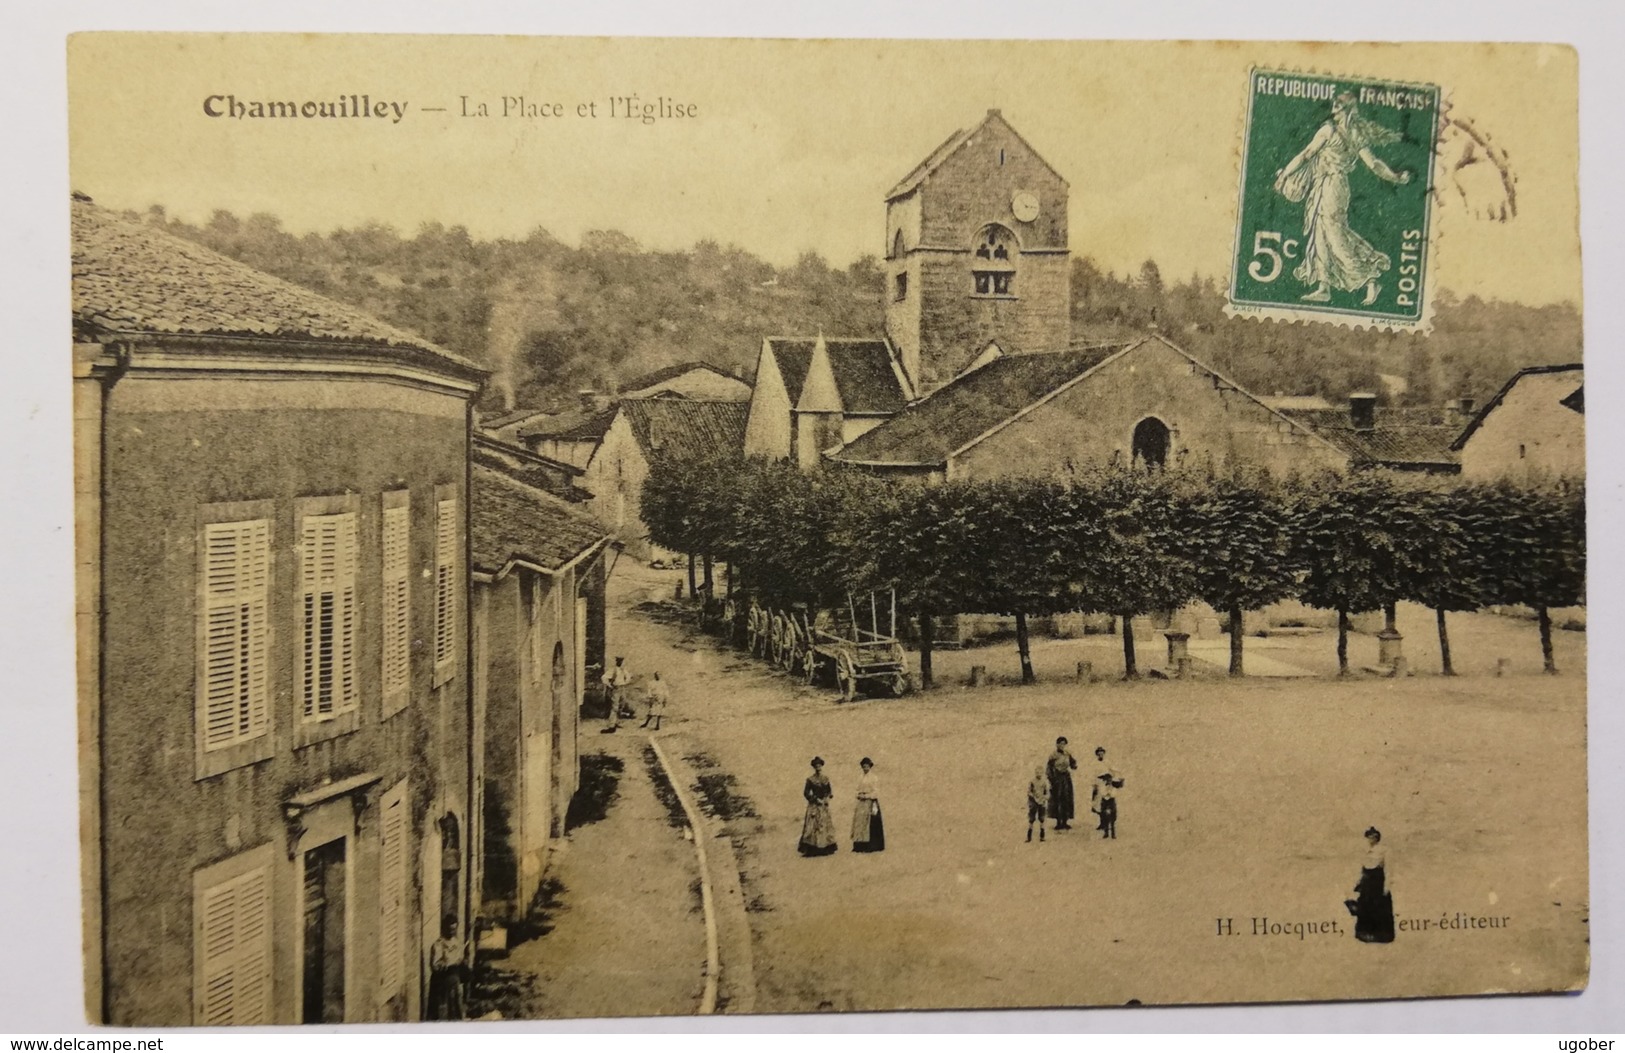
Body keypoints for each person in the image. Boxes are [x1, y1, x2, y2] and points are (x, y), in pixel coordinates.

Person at [1273, 92, 1411, 306]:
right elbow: (1374, 164)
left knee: (1335, 235)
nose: (1334, 109)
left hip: (1330, 186)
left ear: (1345, 109)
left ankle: (1370, 277)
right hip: (1337, 186)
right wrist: (1396, 177)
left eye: (1337, 106)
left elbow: (1306, 154)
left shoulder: (1329, 131)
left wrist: (1284, 176)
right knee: (1323, 233)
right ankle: (1324, 287)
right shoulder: (1356, 135)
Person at [1350, 826, 1396, 943]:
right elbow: (1362, 868)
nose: (1371, 839)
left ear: (1377, 838)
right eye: (1369, 837)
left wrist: (1387, 886)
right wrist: (1358, 883)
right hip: (1367, 883)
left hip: (1378, 883)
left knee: (1379, 907)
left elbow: (1388, 870)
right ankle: (1364, 933)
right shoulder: (1365, 851)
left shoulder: (1384, 850)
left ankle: (1381, 935)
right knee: (1365, 907)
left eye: (1373, 837)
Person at [427, 914, 466, 1021]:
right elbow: (435, 965)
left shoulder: (456, 942)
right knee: (441, 1008)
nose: (452, 932)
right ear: (444, 928)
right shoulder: (438, 944)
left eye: (454, 929)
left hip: (454, 979)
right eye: (450, 929)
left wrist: (459, 962)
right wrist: (444, 964)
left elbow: (459, 957)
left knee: (456, 1002)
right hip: (441, 980)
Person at [797, 756, 837, 856]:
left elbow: (829, 791)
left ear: (821, 766)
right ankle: (812, 849)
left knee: (824, 825)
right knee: (812, 826)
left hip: (823, 805)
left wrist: (827, 798)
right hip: (814, 806)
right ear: (814, 767)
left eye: (819, 765)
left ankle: (825, 848)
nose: (818, 767)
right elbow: (806, 793)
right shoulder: (810, 779)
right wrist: (815, 799)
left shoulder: (826, 779)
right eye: (816, 766)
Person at [850, 757, 885, 853]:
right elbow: (856, 789)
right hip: (861, 803)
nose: (865, 768)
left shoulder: (874, 778)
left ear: (870, 767)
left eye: (867, 766)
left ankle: (871, 845)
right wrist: (858, 795)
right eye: (864, 767)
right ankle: (859, 845)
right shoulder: (859, 777)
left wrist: (867, 796)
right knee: (859, 823)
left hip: (870, 802)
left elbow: (876, 792)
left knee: (870, 824)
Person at [1046, 737, 1079, 830]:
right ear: (1057, 745)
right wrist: (1052, 780)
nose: (1062, 745)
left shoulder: (1067, 754)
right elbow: (1048, 769)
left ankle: (1065, 822)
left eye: (1064, 744)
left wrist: (1074, 765)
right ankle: (1058, 822)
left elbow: (1073, 763)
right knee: (1057, 800)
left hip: (1066, 779)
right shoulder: (1053, 755)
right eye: (1060, 744)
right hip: (1057, 779)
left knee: (1067, 799)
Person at [1091, 746, 1123, 839]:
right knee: (1097, 805)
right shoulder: (1095, 763)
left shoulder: (1107, 762)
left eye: (1102, 753)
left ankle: (1108, 826)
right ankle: (1102, 823)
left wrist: (1115, 777)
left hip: (1106, 784)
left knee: (1107, 805)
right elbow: (1093, 775)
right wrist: (1094, 785)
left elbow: (1115, 770)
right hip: (1099, 784)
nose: (1100, 754)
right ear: (1097, 754)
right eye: (1099, 753)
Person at [599, 656, 631, 733]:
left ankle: (616, 722)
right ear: (616, 661)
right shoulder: (613, 670)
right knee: (615, 707)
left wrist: (625, 683)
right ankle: (611, 726)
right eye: (619, 661)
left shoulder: (623, 670)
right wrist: (610, 685)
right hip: (616, 689)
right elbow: (603, 677)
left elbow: (628, 677)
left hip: (622, 688)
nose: (620, 662)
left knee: (621, 705)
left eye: (621, 661)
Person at [1026, 765, 1050, 843]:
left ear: (1042, 773)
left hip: (1042, 803)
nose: (1038, 774)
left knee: (1042, 819)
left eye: (1040, 772)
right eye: (1037, 772)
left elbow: (1047, 793)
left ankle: (1042, 836)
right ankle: (1029, 837)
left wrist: (1044, 798)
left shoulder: (1044, 782)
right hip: (1033, 803)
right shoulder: (1032, 782)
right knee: (1031, 819)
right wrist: (1033, 797)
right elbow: (1029, 792)